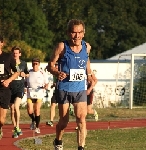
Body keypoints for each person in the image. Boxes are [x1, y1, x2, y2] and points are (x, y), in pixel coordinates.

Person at [49, 19, 92, 150]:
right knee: (64, 122)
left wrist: (89, 75)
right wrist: (57, 72)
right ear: (68, 33)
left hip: (80, 88)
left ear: (83, 33)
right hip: (64, 89)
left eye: (79, 32)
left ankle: (81, 147)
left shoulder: (87, 47)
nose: (77, 36)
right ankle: (58, 140)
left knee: (81, 118)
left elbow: (86, 60)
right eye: (74, 32)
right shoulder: (62, 46)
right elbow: (50, 65)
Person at [0, 37, 20, 139]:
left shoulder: (8, 57)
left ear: (2, 43)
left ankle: (0, 128)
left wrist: (8, 80)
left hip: (5, 89)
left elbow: (17, 71)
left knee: (1, 120)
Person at [10, 46, 29, 138]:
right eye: (14, 53)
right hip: (10, 88)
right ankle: (15, 129)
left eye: (17, 53)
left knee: (16, 106)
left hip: (19, 88)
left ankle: (17, 126)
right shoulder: (8, 63)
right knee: (12, 109)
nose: (15, 55)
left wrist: (24, 74)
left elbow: (27, 73)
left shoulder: (23, 64)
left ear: (20, 54)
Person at [25, 58, 49, 134]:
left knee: (37, 110)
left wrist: (45, 86)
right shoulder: (29, 72)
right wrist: (25, 88)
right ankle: (33, 120)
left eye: (36, 64)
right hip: (30, 93)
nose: (35, 65)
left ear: (39, 64)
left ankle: (37, 127)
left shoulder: (42, 73)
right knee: (29, 110)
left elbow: (47, 83)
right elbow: (25, 82)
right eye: (33, 64)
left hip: (39, 93)